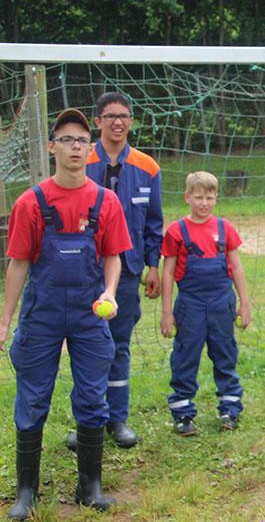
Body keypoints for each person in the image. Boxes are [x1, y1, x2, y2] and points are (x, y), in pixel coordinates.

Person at [0, 108, 132, 518]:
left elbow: (113, 257)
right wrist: (5, 320)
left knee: (93, 397)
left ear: (88, 149)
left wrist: (110, 291)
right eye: (66, 139)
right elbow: (19, 263)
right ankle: (26, 491)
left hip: (90, 313)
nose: (74, 147)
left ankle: (89, 487)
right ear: (52, 146)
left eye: (81, 140)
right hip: (42, 314)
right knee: (33, 396)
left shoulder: (104, 201)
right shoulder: (31, 202)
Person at [62, 92, 162, 451]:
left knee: (118, 345)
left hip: (128, 270)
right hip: (83, 272)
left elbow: (154, 223)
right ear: (98, 121)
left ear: (131, 122)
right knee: (84, 346)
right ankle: (86, 421)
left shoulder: (148, 167)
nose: (117, 122)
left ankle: (117, 419)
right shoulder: (79, 160)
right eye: (110, 116)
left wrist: (153, 265)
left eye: (124, 115)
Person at [160, 171, 251, 436]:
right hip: (190, 304)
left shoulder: (225, 229)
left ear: (216, 198)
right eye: (198, 197)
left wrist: (244, 303)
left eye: (209, 197)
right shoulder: (177, 230)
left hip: (222, 302)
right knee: (185, 356)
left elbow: (236, 267)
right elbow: (167, 273)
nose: (203, 203)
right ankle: (183, 412)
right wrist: (167, 312)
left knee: (225, 353)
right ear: (187, 197)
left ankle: (230, 408)